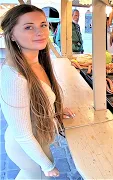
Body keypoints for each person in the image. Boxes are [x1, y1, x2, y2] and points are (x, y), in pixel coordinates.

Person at [0, 4, 75, 179]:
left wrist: (55, 111)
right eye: (28, 27)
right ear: (11, 35)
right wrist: (47, 165)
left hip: (39, 139)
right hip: (24, 145)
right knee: (33, 176)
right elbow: (22, 135)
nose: (40, 32)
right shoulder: (14, 77)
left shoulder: (37, 61)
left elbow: (40, 98)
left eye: (43, 24)